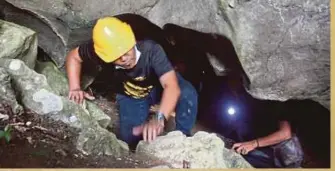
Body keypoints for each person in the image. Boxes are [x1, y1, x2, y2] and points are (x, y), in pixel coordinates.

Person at [65, 17, 198, 148]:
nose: (124, 59)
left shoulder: (151, 50)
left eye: (126, 52)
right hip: (132, 93)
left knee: (187, 93)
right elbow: (74, 57)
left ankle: (182, 137)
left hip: (158, 84)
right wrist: (75, 88)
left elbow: (171, 86)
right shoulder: (102, 51)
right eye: (116, 57)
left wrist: (159, 118)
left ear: (132, 40)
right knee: (129, 139)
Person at [231, 102, 304, 168]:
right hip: (265, 154)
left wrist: (254, 143)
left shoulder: (276, 103)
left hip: (286, 157)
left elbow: (285, 133)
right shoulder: (246, 105)